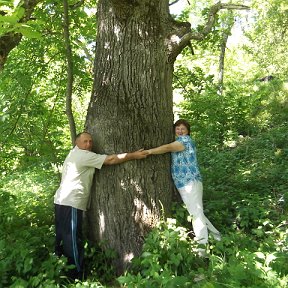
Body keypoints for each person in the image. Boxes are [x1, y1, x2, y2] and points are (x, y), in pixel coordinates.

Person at [54, 132, 148, 280]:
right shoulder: (83, 156)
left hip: (61, 200)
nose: (89, 144)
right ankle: (76, 277)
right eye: (85, 141)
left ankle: (59, 269)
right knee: (71, 240)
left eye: (90, 141)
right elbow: (110, 159)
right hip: (70, 202)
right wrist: (133, 155)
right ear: (77, 143)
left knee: (62, 237)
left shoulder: (74, 153)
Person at [145, 119, 220, 255]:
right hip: (185, 184)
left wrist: (148, 152)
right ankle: (217, 238)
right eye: (177, 128)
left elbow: (167, 148)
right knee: (198, 213)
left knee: (196, 215)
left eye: (183, 128)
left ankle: (202, 252)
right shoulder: (180, 140)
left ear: (187, 131)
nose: (180, 131)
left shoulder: (185, 141)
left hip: (190, 182)